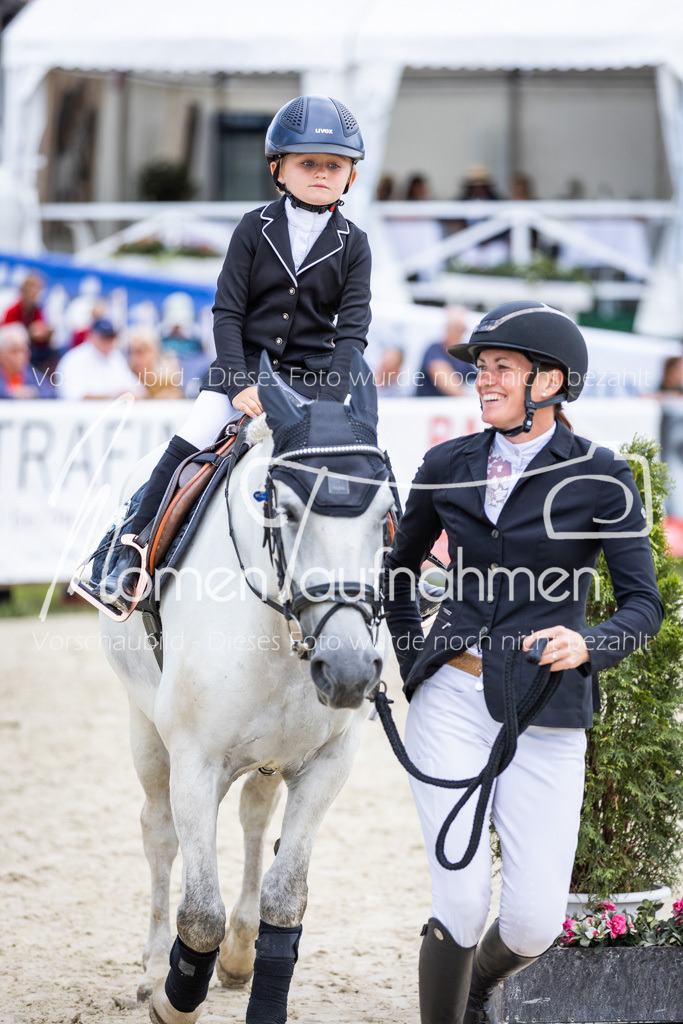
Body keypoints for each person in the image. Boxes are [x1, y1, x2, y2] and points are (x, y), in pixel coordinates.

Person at [383, 300, 663, 1024]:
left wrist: (588, 645)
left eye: (501, 368)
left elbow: (642, 606)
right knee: (462, 896)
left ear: (549, 381)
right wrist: (419, 661)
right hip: (451, 701)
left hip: (546, 709)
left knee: (535, 922)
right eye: (480, 369)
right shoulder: (446, 464)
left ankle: (476, 986)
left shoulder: (602, 477)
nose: (483, 380)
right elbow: (398, 572)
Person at [100, 94, 369, 607]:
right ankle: (131, 550)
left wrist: (333, 399)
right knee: (189, 441)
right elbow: (227, 313)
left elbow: (353, 330)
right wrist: (240, 382)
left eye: (333, 165)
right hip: (239, 374)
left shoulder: (355, 244)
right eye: (307, 163)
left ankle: (396, 565)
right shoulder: (253, 227)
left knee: (360, 459)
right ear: (278, 169)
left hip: (313, 385)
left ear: (349, 176)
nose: (320, 173)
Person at [55, 318, 144, 400]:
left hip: (114, 414)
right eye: (104, 338)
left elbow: (138, 390)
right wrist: (115, 396)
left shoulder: (116, 357)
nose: (108, 342)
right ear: (91, 336)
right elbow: (74, 396)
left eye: (111, 337)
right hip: (80, 415)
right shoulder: (74, 359)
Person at [415, 307, 476, 397]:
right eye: (457, 328)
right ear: (447, 328)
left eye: (463, 329)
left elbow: (478, 378)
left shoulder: (462, 357)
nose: (460, 333)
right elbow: (445, 382)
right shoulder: (434, 350)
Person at [2, 273, 54, 368]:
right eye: (31, 292)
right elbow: (5, 335)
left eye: (36, 293)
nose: (34, 295)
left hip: (32, 349)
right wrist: (29, 333)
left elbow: (42, 328)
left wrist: (45, 333)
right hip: (15, 349)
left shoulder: (37, 310)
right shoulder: (13, 310)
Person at [126, 325, 184, 399]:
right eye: (131, 352)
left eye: (141, 351)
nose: (134, 358)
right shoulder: (126, 375)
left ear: (154, 351)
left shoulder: (167, 378)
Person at [0, 322, 52, 399]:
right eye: (14, 350)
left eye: (24, 350)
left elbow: (49, 392)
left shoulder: (29, 372)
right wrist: (11, 393)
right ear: (1, 353)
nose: (20, 356)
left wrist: (33, 393)